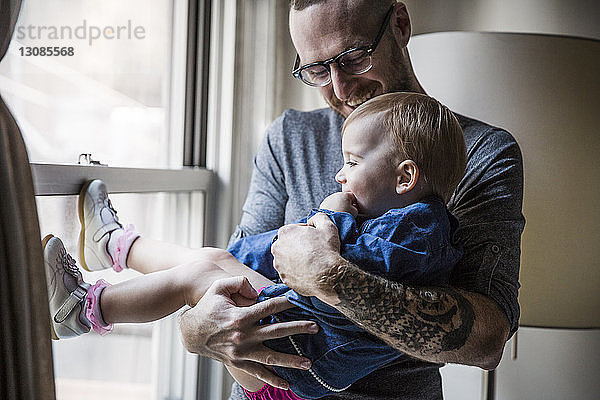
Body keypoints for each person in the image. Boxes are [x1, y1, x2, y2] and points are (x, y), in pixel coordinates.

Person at [177, 1, 525, 399]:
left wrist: (329, 276)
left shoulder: (481, 153)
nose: (340, 88)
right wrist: (193, 329)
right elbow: (233, 269)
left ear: (400, 24)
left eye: (354, 57)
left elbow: (487, 341)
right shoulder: (290, 138)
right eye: (317, 69)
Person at [43, 92, 467, 400]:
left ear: (405, 177)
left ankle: (82, 310)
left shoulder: (416, 232)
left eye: (351, 164)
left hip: (297, 361)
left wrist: (331, 215)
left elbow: (333, 272)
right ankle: (115, 246)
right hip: (295, 353)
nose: (340, 176)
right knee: (214, 261)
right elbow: (251, 255)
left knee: (203, 274)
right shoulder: (405, 221)